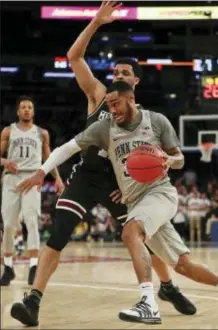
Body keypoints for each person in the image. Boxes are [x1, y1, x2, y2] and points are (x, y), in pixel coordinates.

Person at [9, 2, 195, 326]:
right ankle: (33, 302)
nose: (119, 76)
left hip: (118, 185)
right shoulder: (98, 94)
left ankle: (166, 287)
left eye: (125, 73)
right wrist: (96, 21)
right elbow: (74, 57)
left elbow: (154, 160)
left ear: (135, 81)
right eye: (116, 72)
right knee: (59, 232)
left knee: (145, 238)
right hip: (85, 176)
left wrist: (135, 186)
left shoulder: (146, 118)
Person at [13, 81, 218, 325]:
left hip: (159, 194)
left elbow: (179, 158)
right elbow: (67, 148)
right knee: (183, 266)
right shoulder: (104, 128)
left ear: (131, 98)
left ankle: (148, 303)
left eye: (116, 103)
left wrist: (168, 159)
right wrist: (43, 171)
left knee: (130, 232)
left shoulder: (156, 121)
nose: (112, 109)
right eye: (109, 104)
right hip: (135, 202)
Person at [0, 96, 64, 286]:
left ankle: (33, 267)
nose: (27, 110)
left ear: (33, 112)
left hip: (33, 178)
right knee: (9, 225)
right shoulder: (8, 131)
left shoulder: (42, 133)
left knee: (31, 222)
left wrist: (58, 177)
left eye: (29, 107)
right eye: (23, 107)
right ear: (18, 112)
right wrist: (4, 161)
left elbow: (49, 157)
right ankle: (8, 268)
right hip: (11, 179)